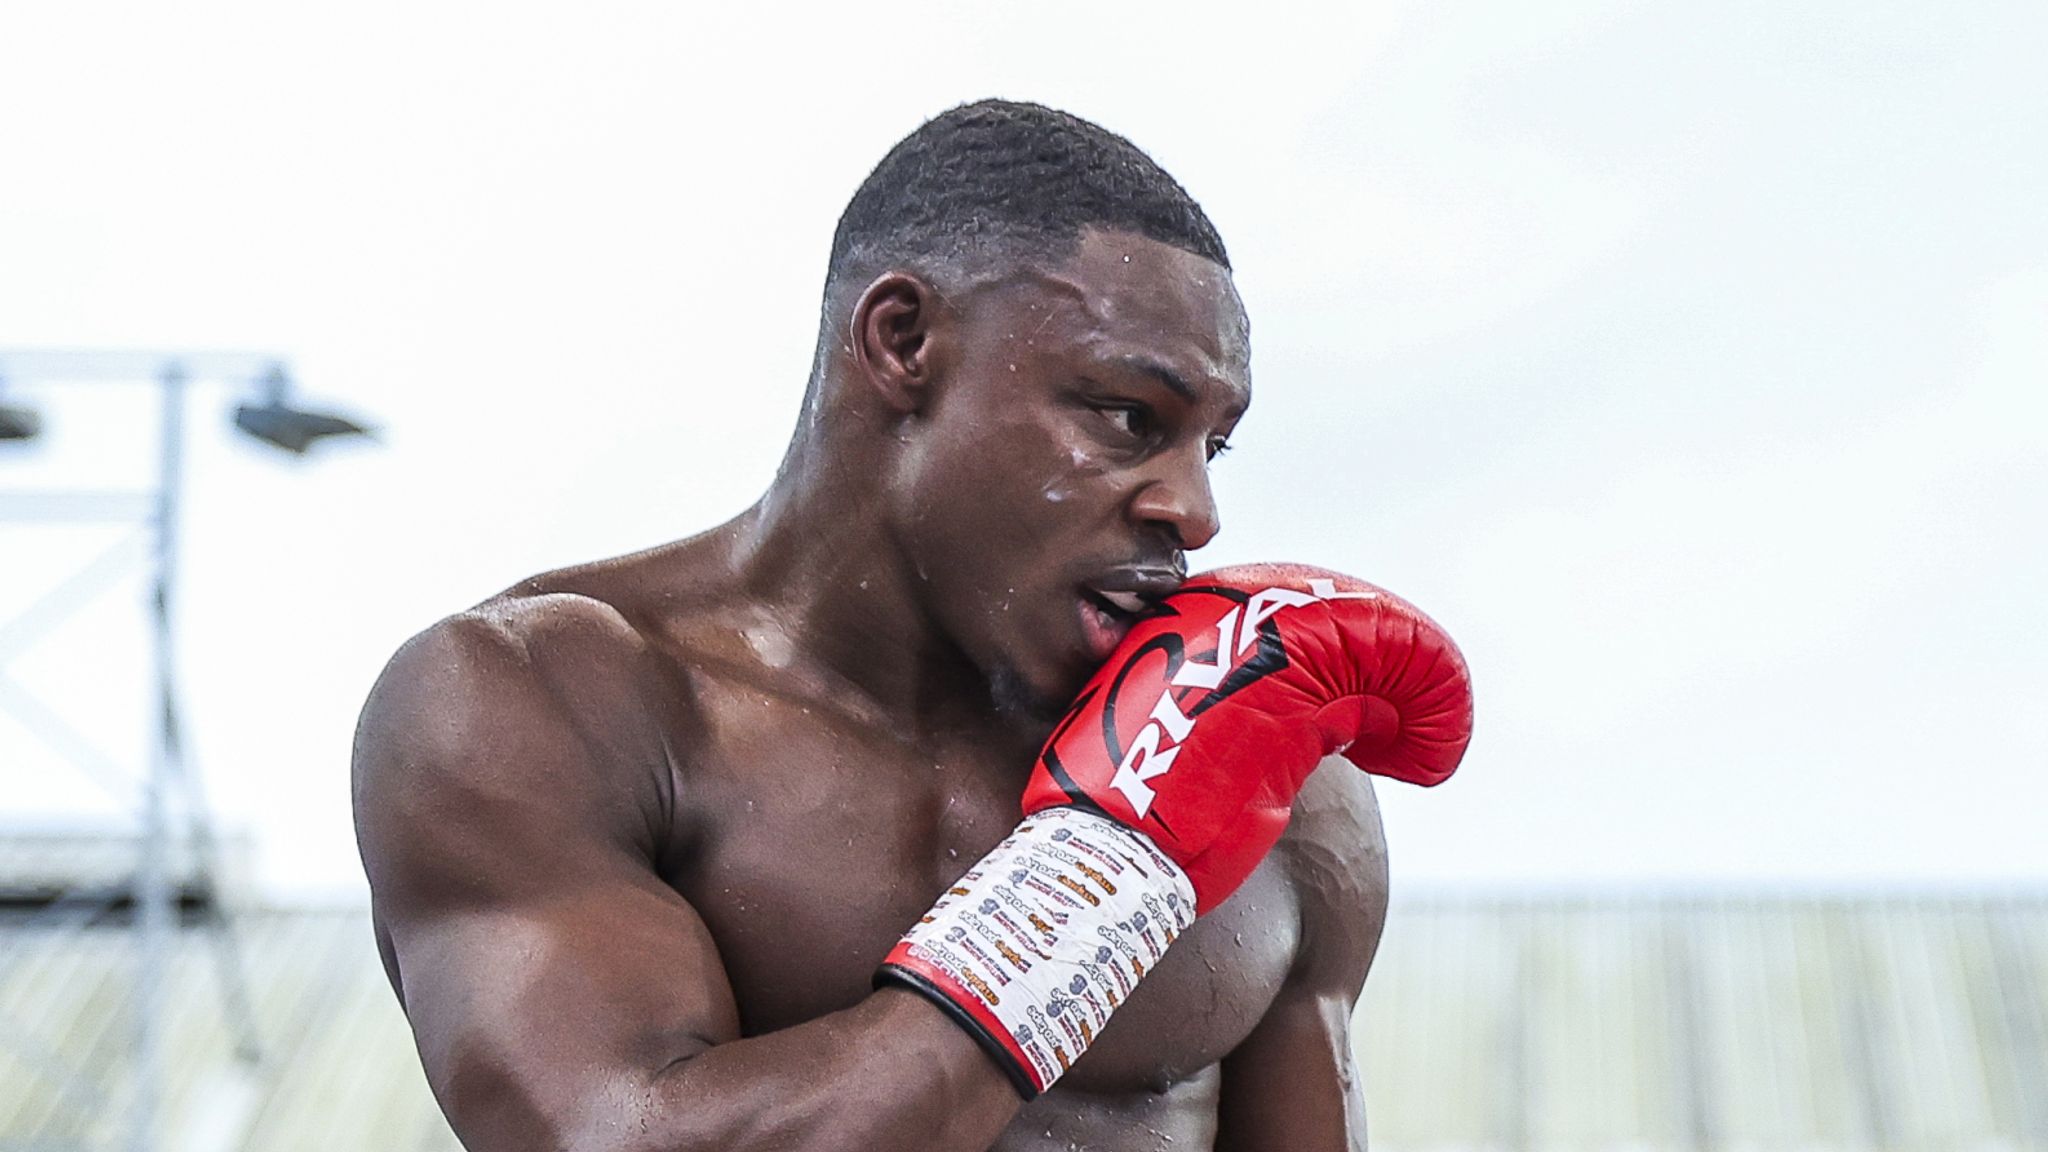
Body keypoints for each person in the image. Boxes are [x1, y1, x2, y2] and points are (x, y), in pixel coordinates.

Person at [353, 99, 1469, 1152]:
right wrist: (1089, 889)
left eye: (1208, 447)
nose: (1192, 508)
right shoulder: (546, 705)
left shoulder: (1274, 778)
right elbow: (614, 1137)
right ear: (900, 342)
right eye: (1128, 418)